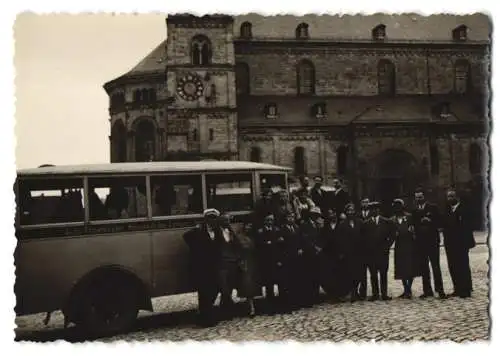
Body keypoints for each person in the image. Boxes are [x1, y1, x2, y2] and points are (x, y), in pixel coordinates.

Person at [183, 208, 222, 327]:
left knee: (214, 290)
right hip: (202, 267)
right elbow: (186, 236)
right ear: (205, 220)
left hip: (213, 266)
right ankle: (205, 319)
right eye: (210, 218)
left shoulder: (217, 231)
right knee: (204, 293)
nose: (212, 220)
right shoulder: (199, 231)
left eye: (214, 218)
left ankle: (206, 315)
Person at [219, 214, 260, 318]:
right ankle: (233, 309)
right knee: (231, 286)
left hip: (251, 263)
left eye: (250, 226)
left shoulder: (253, 236)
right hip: (241, 263)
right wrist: (240, 260)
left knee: (249, 286)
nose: (248, 227)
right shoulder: (238, 235)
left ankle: (249, 307)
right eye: (247, 225)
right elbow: (236, 247)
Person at [412, 188, 446, 299]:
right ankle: (427, 290)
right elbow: (413, 226)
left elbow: (440, 222)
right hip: (421, 243)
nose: (419, 199)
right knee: (424, 268)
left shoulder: (433, 207)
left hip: (432, 242)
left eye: (420, 197)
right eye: (417, 197)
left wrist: (431, 221)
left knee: (436, 266)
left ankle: (440, 290)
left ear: (424, 197)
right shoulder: (414, 210)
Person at [442, 189, 476, 298]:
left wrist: (466, 242)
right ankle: (457, 288)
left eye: (452, 196)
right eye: (448, 197)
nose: (450, 198)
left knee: (463, 266)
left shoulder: (464, 209)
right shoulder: (447, 210)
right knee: (452, 266)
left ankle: (466, 289)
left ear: (457, 197)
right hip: (450, 244)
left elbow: (467, 228)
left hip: (461, 244)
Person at [254, 213, 288, 314]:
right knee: (269, 285)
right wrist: (268, 243)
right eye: (268, 220)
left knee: (281, 283)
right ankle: (271, 308)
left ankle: (282, 306)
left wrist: (280, 259)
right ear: (264, 221)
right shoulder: (260, 232)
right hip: (267, 262)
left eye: (272, 220)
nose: (270, 222)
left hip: (277, 261)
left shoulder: (277, 230)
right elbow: (259, 247)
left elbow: (281, 245)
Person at [391, 199, 420, 299]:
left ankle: (408, 288)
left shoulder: (409, 217)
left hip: (409, 244)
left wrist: (412, 232)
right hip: (399, 245)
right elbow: (391, 234)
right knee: (401, 267)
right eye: (395, 206)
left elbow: (414, 230)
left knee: (410, 266)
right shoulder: (393, 219)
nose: (397, 208)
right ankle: (406, 288)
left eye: (399, 206)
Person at [364, 202, 393, 301]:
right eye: (372, 209)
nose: (374, 211)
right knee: (373, 274)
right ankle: (375, 293)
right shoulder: (366, 223)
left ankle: (384, 293)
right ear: (370, 211)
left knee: (383, 273)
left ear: (379, 210)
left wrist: (387, 246)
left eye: (376, 209)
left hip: (383, 252)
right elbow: (364, 238)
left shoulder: (386, 221)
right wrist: (368, 248)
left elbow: (392, 235)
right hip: (371, 253)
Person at [299, 206, 325, 306]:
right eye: (315, 215)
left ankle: (316, 295)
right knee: (309, 276)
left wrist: (320, 247)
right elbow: (305, 239)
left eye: (317, 215)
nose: (316, 216)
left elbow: (321, 237)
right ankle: (309, 298)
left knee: (317, 275)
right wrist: (314, 247)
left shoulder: (318, 225)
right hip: (309, 254)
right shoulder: (305, 225)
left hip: (317, 255)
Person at [338, 202, 364, 302]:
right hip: (348, 252)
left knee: (358, 272)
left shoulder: (360, 222)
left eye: (352, 210)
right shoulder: (342, 224)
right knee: (350, 272)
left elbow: (363, 236)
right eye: (348, 211)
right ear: (346, 212)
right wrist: (342, 252)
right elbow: (340, 239)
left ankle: (356, 290)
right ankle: (353, 292)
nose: (350, 212)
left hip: (359, 252)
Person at [357, 197, 372, 300]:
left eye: (367, 202)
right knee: (361, 271)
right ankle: (362, 292)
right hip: (361, 246)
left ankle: (375, 291)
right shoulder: (357, 214)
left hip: (371, 246)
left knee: (372, 270)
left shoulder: (373, 214)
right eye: (363, 202)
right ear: (361, 203)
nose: (365, 204)